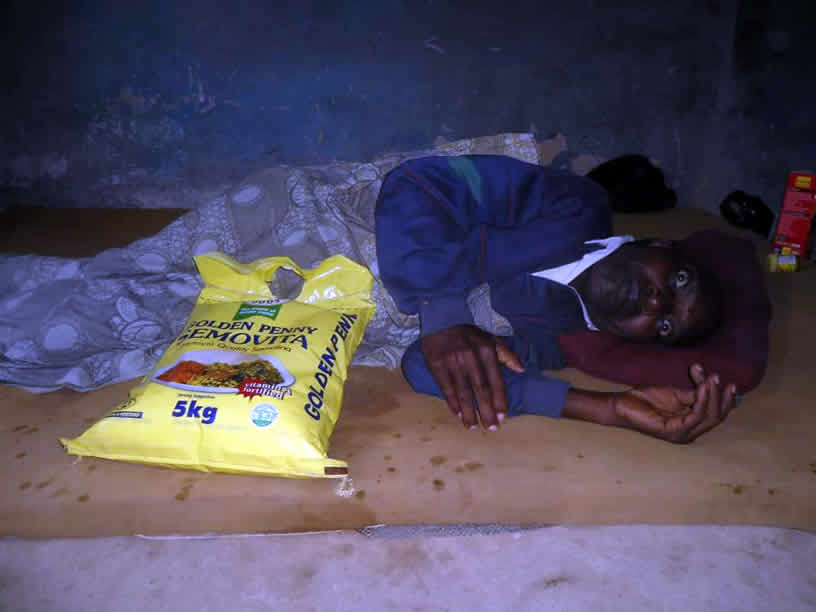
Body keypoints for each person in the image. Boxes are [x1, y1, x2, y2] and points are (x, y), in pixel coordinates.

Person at [374, 154, 737, 444]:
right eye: (679, 280)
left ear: (640, 343)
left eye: (665, 326)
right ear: (662, 245)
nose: (658, 303)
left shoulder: (555, 342)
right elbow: (417, 183)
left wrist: (609, 408)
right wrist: (444, 312)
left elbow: (426, 364)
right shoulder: (578, 208)